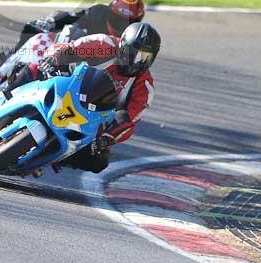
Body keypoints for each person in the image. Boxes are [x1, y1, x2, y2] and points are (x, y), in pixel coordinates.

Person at [8, 21, 161, 173]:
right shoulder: (103, 44)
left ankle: (51, 157)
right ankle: (4, 95)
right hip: (68, 88)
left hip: (91, 120)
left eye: (144, 57)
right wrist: (53, 59)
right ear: (122, 45)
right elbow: (69, 49)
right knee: (33, 69)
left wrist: (106, 138)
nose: (136, 61)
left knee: (98, 161)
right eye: (132, 53)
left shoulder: (145, 87)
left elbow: (128, 119)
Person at [0, 0, 146, 71]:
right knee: (34, 27)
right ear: (109, 12)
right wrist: (51, 22)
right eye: (118, 19)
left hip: (91, 78)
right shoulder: (98, 13)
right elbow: (72, 17)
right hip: (70, 55)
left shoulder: (134, 42)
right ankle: (10, 57)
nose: (121, 25)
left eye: (128, 22)